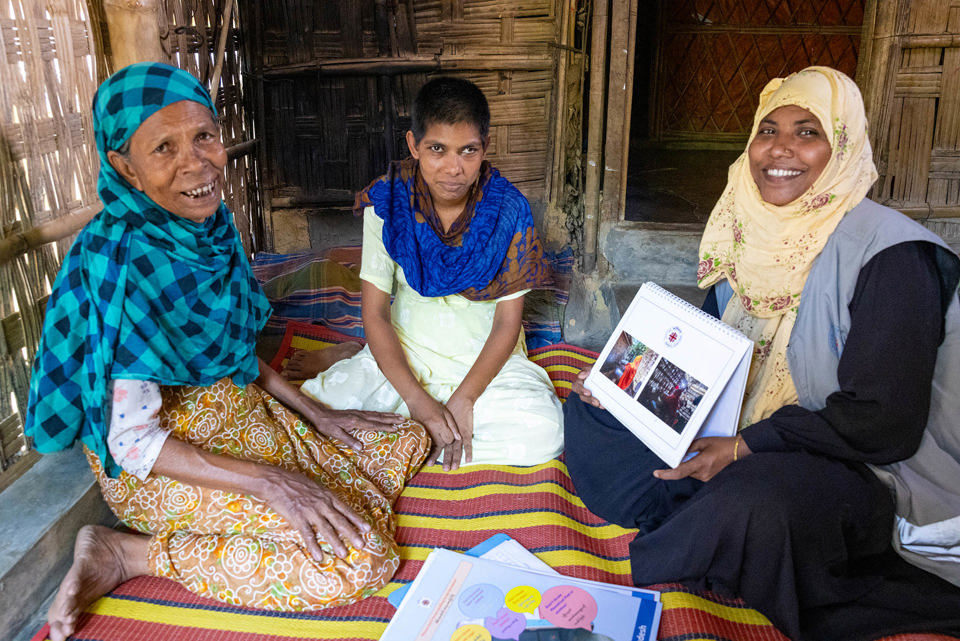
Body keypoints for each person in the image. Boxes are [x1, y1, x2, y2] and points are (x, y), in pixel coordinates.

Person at [24, 62, 430, 641]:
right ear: (125, 168)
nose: (198, 164)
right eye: (164, 148)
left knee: (404, 436)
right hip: (162, 460)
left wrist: (319, 414)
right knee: (358, 558)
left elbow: (235, 355)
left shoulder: (209, 230)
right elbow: (131, 440)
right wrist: (271, 482)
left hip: (238, 418)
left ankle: (292, 489)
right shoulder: (115, 266)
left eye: (204, 137)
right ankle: (128, 554)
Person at [563, 66, 960, 640]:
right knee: (594, 413)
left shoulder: (892, 256)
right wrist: (624, 383)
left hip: (864, 466)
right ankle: (711, 520)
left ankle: (712, 522)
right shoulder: (743, 226)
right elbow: (703, 344)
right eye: (768, 129)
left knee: (759, 502)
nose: (780, 150)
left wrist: (747, 445)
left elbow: (885, 423)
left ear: (843, 146)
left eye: (808, 132)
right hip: (743, 426)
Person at [298, 77, 564, 471]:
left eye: (468, 151)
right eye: (437, 149)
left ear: (484, 148)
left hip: (483, 361)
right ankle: (384, 381)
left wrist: (465, 399)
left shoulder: (509, 210)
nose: (453, 168)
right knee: (318, 411)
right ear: (413, 146)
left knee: (544, 433)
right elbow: (374, 314)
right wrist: (419, 402)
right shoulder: (388, 204)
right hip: (407, 353)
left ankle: (410, 443)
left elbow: (508, 323)